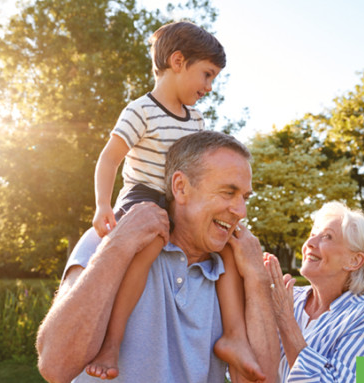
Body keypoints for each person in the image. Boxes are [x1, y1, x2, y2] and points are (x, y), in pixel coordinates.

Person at [83, 21, 259, 380]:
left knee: (226, 244)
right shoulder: (141, 111)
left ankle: (235, 337)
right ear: (178, 61)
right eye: (206, 75)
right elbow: (109, 159)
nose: (209, 87)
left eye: (213, 79)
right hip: (144, 197)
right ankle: (111, 342)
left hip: (179, 198)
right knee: (150, 245)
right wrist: (103, 204)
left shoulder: (195, 119)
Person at [36, 131, 280, 383]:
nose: (241, 211)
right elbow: (56, 366)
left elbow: (264, 380)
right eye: (228, 193)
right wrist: (117, 246)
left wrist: (257, 277)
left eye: (244, 197)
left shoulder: (234, 268)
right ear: (181, 188)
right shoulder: (109, 239)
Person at [263, 201, 364, 382]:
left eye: (326, 237)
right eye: (312, 234)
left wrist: (285, 320)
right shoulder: (288, 298)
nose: (309, 243)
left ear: (354, 260)